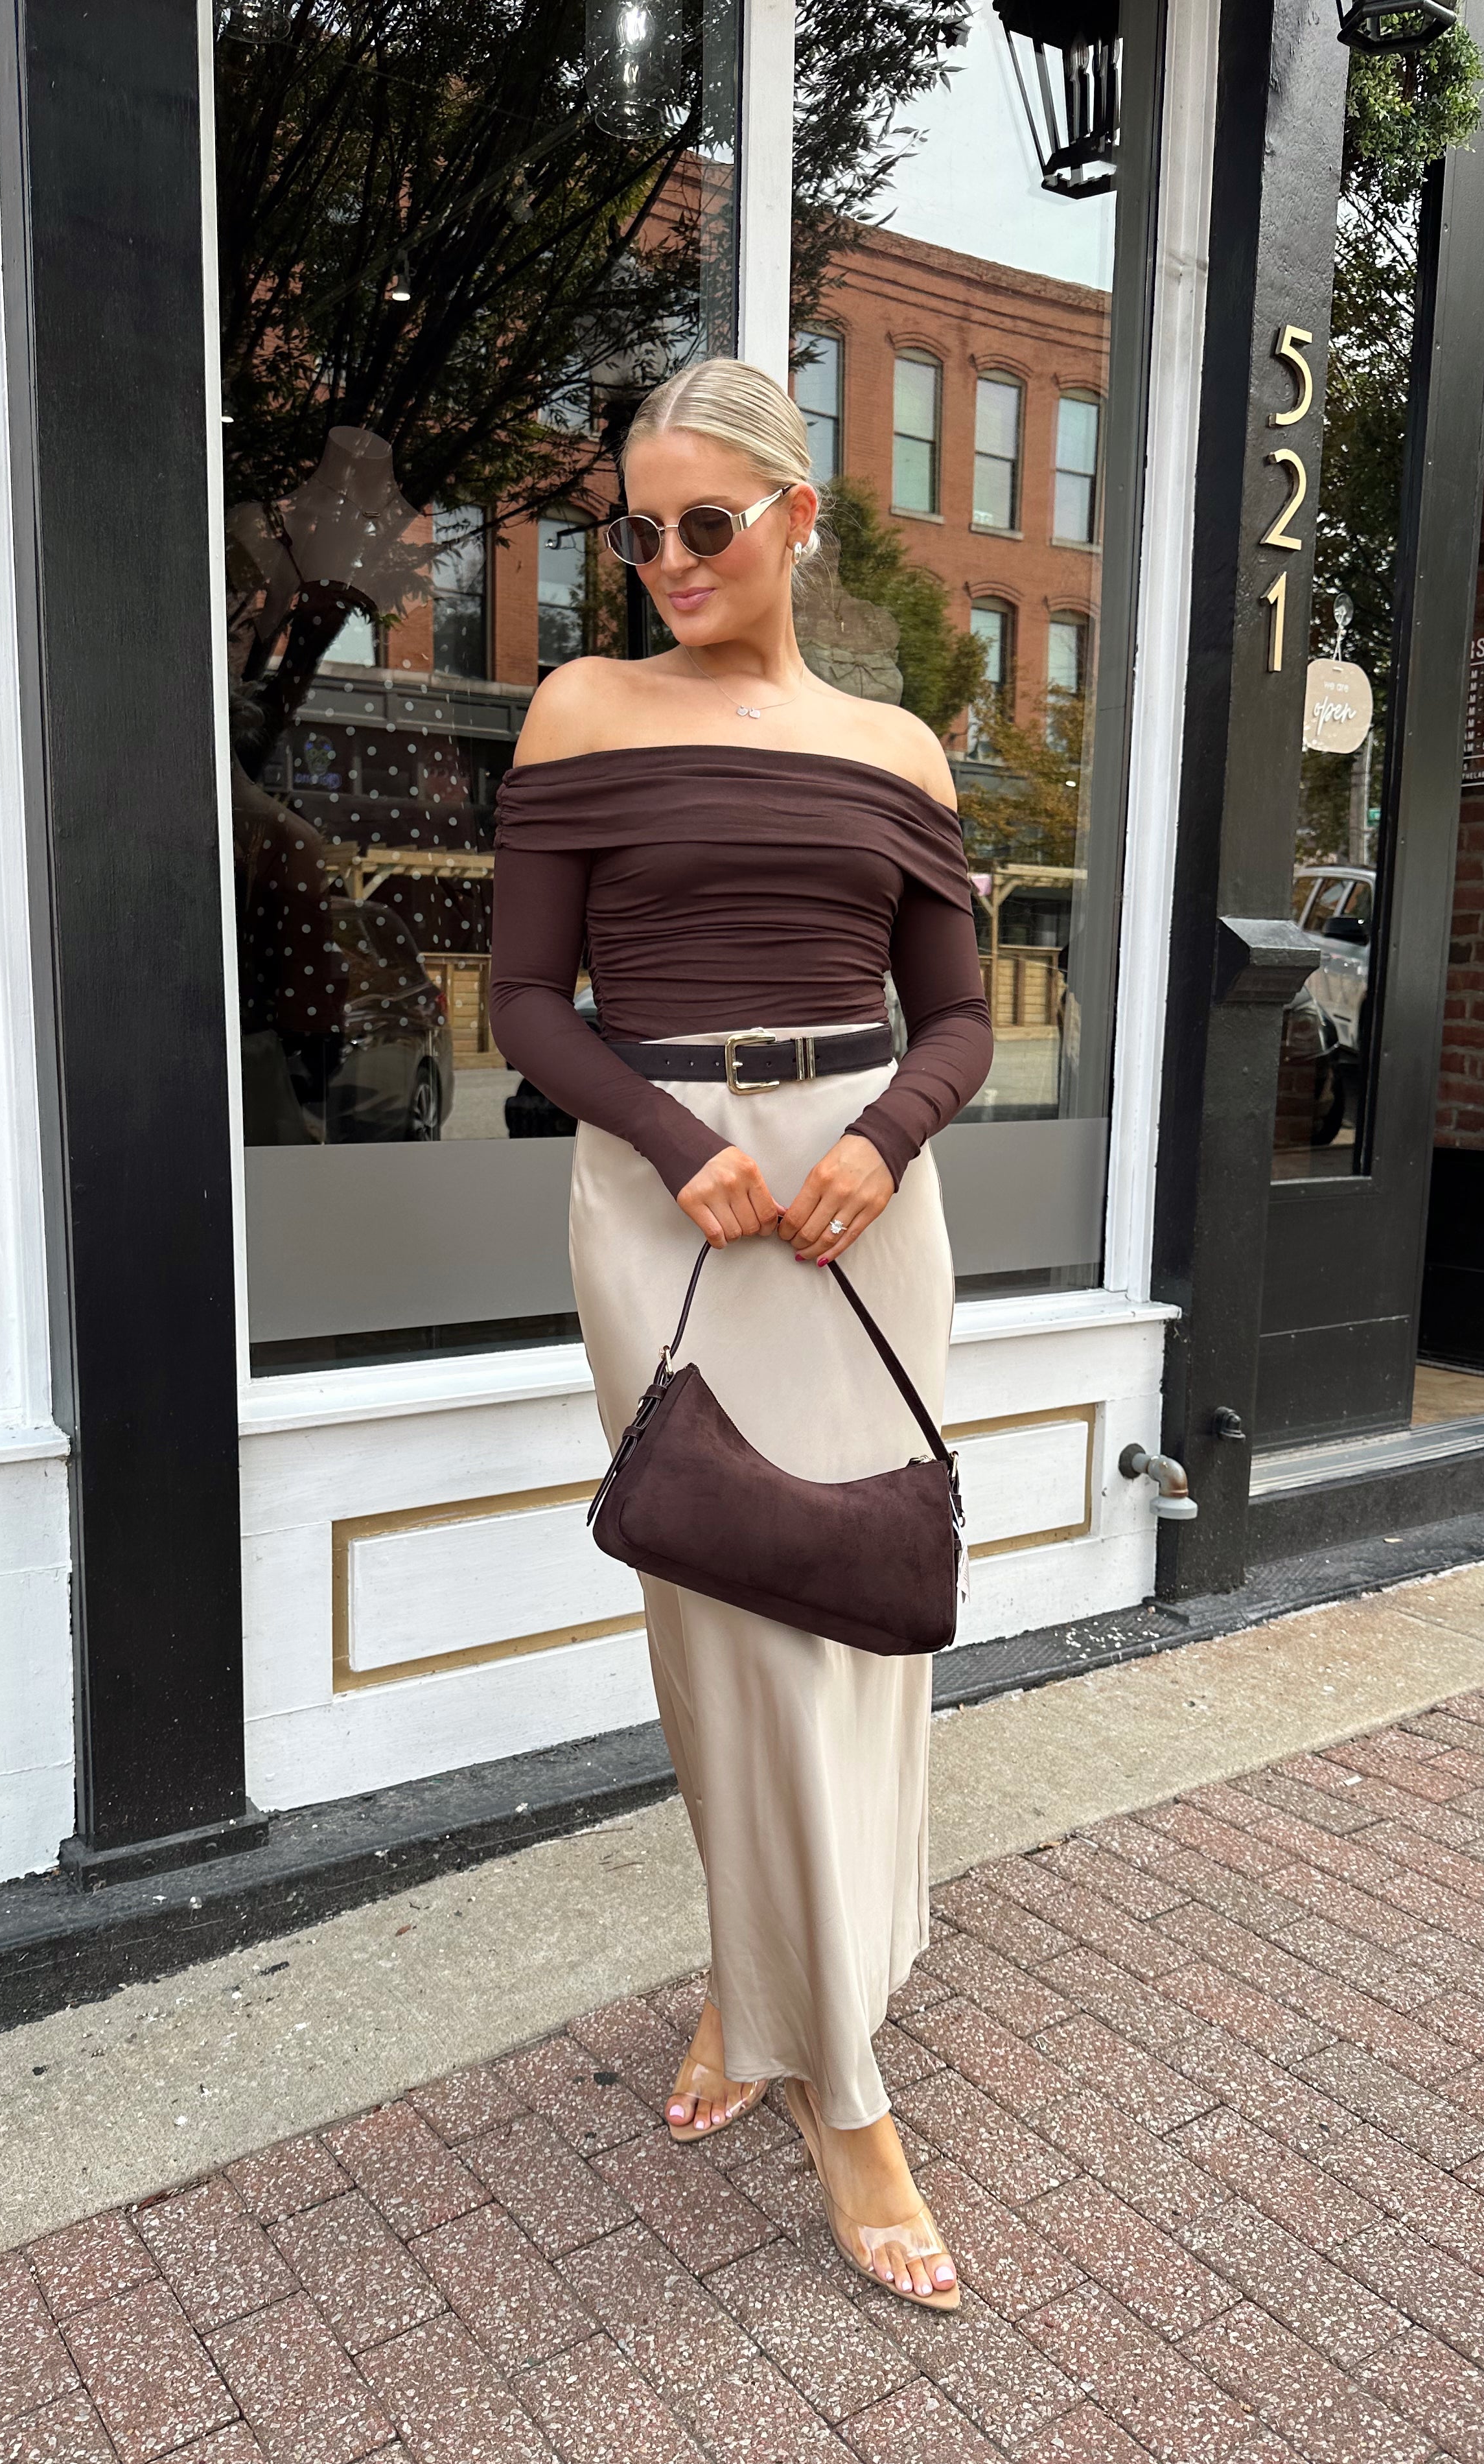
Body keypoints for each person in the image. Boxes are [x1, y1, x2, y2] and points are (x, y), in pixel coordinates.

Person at [488, 356, 993, 2308]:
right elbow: (530, 999)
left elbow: (952, 1015)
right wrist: (678, 1140)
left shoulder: (901, 751)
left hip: (869, 1201)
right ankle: (842, 2101)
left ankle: (756, 1989)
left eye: (711, 523)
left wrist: (880, 1137)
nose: (671, 561)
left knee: (852, 1621)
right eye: (639, 530)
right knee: (730, 1629)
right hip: (669, 1195)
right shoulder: (582, 709)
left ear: (799, 518)